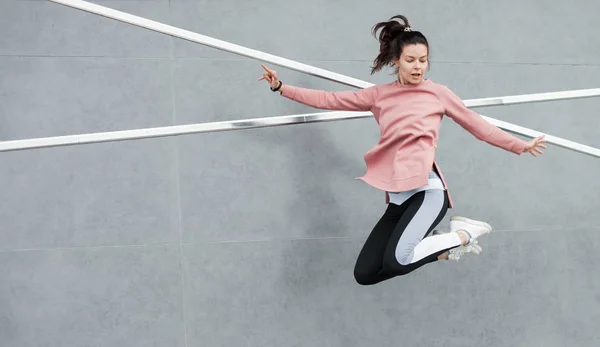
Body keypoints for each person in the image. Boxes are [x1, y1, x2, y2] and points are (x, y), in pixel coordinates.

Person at [258, 14, 547, 285]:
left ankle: (463, 233)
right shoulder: (379, 95)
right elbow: (330, 99)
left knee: (398, 261)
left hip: (427, 194)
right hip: (399, 200)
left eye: (423, 60)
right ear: (397, 61)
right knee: (366, 272)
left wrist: (519, 146)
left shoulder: (438, 94)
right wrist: (282, 87)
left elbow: (478, 126)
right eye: (411, 60)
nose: (418, 66)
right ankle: (443, 249)